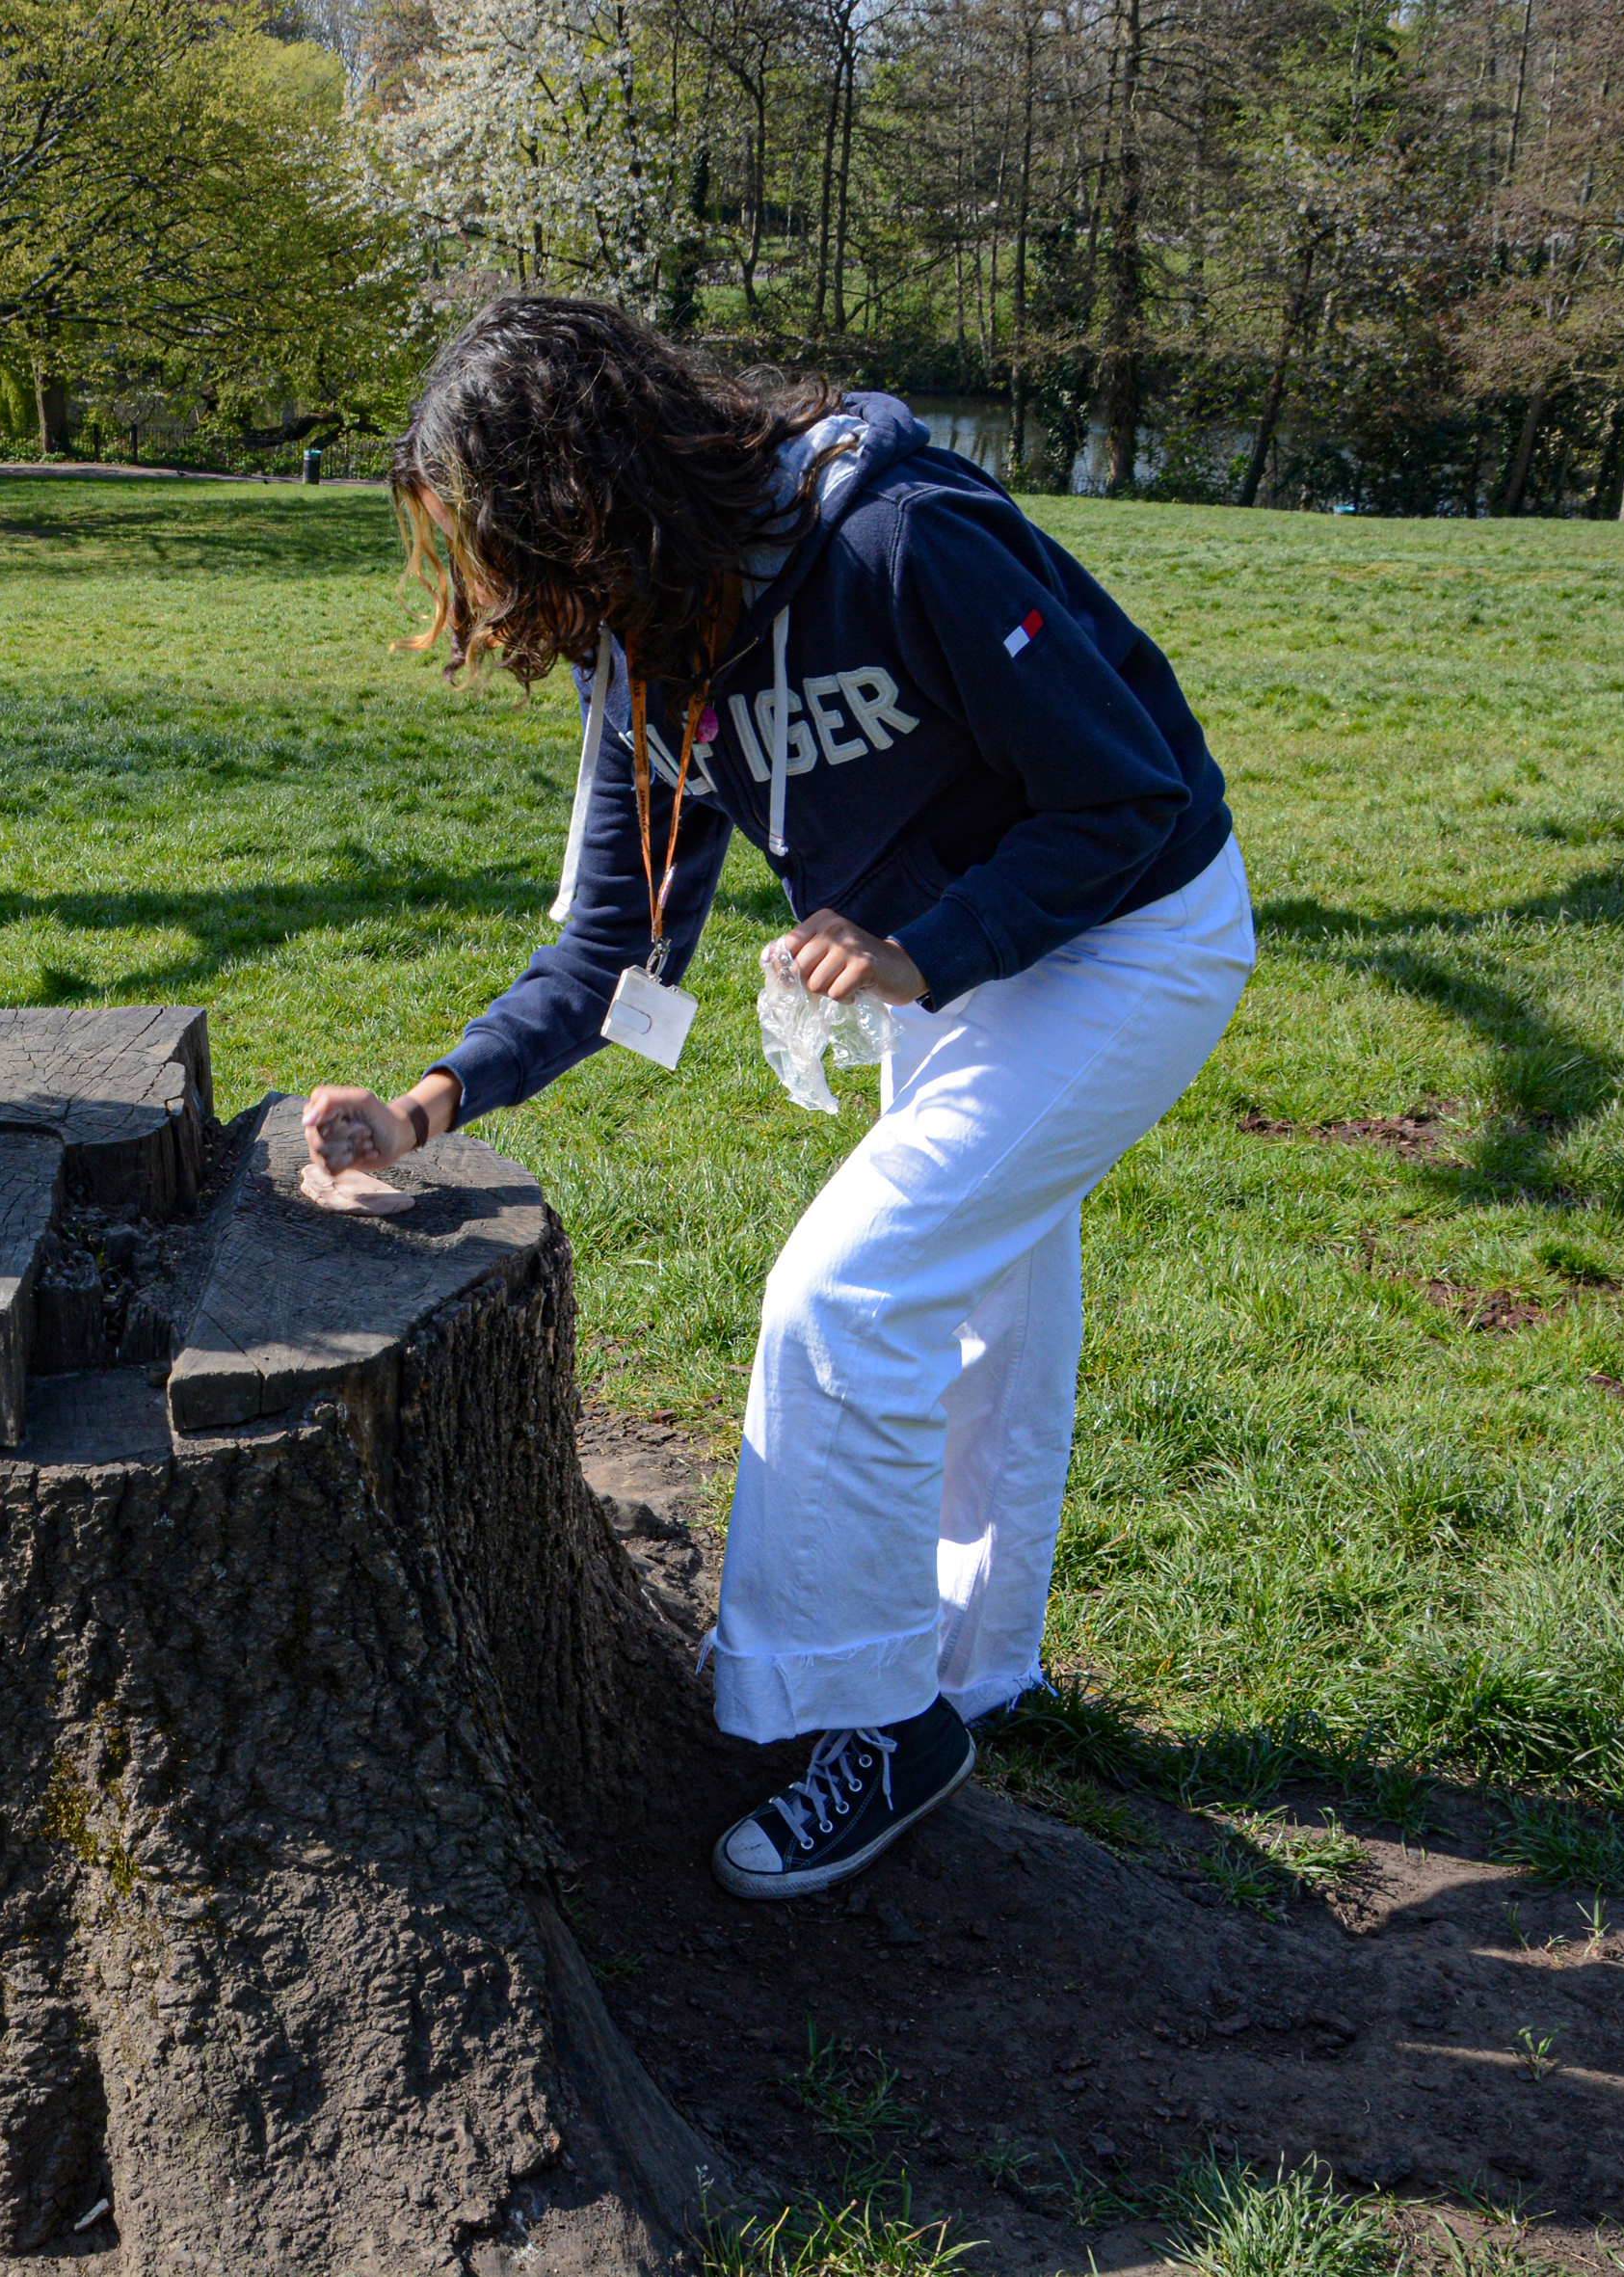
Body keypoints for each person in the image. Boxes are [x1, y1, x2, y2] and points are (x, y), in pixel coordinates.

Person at [304, 298, 1253, 1899]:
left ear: (585, 499)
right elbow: (621, 946)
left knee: (848, 1291)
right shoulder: (646, 649)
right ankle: (973, 1670)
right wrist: (429, 1104)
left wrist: (921, 949)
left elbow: (1125, 798)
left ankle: (878, 1720)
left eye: (502, 553)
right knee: (982, 1316)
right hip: (947, 959)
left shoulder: (902, 540)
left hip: (1133, 936)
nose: (499, 605)